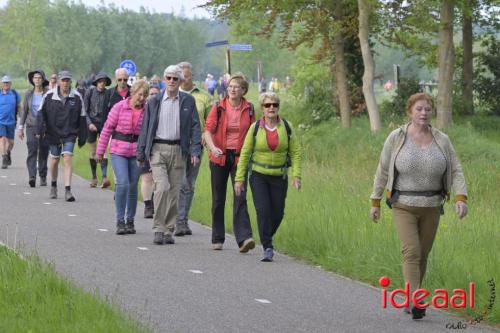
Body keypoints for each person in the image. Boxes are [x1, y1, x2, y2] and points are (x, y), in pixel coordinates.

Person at [369, 92, 468, 320]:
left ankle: (411, 296)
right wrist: (375, 201)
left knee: (422, 255)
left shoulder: (442, 139)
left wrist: (461, 198)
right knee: (411, 252)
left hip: (432, 205)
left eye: (427, 109)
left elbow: (456, 169)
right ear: (410, 112)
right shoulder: (397, 137)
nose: (424, 113)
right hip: (404, 205)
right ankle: (416, 299)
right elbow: (383, 169)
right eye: (419, 109)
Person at [137, 65, 202, 245]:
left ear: (180, 81)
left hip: (179, 150)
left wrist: (195, 149)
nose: (171, 81)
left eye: (175, 78)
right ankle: (158, 228)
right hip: (158, 149)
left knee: (174, 192)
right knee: (162, 187)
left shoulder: (188, 101)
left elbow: (196, 127)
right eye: (168, 78)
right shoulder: (154, 101)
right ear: (164, 80)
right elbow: (145, 128)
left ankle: (168, 229)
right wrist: (141, 153)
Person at [234, 92, 301, 262]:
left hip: (279, 176)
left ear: (278, 107)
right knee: (263, 211)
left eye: (274, 105)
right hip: (259, 176)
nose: (271, 108)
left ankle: (265, 235)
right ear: (262, 108)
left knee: (277, 213)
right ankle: (267, 247)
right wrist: (239, 179)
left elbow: (295, 152)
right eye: (267, 105)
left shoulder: (286, 126)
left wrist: (296, 175)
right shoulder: (255, 128)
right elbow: (245, 153)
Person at [204, 73, 256, 252]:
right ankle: (217, 238)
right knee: (218, 198)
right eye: (231, 86)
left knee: (240, 196)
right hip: (219, 156)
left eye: (237, 87)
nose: (233, 89)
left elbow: (253, 133)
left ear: (243, 90)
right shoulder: (218, 107)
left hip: (240, 157)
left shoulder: (249, 109)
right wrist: (212, 148)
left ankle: (244, 239)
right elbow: (208, 131)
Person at [96, 80, 150, 235]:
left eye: (145, 95)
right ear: (133, 93)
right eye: (140, 94)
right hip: (118, 150)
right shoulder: (119, 107)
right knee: (123, 183)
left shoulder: (147, 111)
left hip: (136, 152)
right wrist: (100, 152)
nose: (142, 98)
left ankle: (130, 220)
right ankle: (120, 220)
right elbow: (107, 129)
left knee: (133, 186)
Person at [36, 70, 87, 201]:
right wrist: (39, 130)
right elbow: (40, 113)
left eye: (67, 80)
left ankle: (68, 190)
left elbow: (82, 117)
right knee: (54, 160)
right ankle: (53, 185)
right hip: (53, 133)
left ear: (71, 82)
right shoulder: (49, 95)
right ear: (59, 81)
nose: (65, 83)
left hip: (70, 132)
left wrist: (82, 135)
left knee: (67, 157)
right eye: (63, 80)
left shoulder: (77, 97)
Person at [175, 61, 213, 236]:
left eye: (187, 76)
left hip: (196, 144)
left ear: (192, 76)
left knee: (189, 184)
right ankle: (177, 219)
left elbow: (212, 122)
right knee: (179, 183)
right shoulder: (170, 94)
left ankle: (183, 219)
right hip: (174, 144)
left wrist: (208, 138)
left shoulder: (204, 97)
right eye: (181, 76)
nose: (184, 79)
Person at [17, 70, 50, 187]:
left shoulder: (48, 94)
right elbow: (25, 111)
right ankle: (32, 176)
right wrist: (20, 128)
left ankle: (43, 175)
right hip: (31, 125)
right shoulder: (28, 94)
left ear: (43, 80)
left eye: (39, 78)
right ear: (32, 80)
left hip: (45, 126)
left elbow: (51, 111)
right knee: (32, 149)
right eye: (35, 78)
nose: (37, 80)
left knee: (43, 151)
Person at [84, 72, 112, 188]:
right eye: (100, 81)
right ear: (96, 82)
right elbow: (84, 110)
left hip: (104, 124)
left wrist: (108, 124)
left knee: (104, 150)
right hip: (91, 123)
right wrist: (89, 123)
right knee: (93, 151)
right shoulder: (89, 92)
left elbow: (111, 110)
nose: (102, 84)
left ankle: (104, 177)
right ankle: (94, 177)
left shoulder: (108, 93)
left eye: (104, 82)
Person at [140, 84, 162, 219]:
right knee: (147, 177)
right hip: (145, 146)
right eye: (151, 94)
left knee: (158, 178)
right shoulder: (142, 109)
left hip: (158, 147)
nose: (154, 96)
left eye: (156, 94)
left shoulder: (162, 109)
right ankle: (148, 205)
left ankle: (155, 201)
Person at [0, 76, 21, 169]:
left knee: (11, 142)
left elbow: (19, 106)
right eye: (4, 82)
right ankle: (4, 158)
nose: (6, 84)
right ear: (1, 84)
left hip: (12, 121)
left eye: (7, 82)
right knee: (2, 139)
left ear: (10, 84)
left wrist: (22, 119)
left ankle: (8, 152)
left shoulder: (15, 94)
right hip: (1, 122)